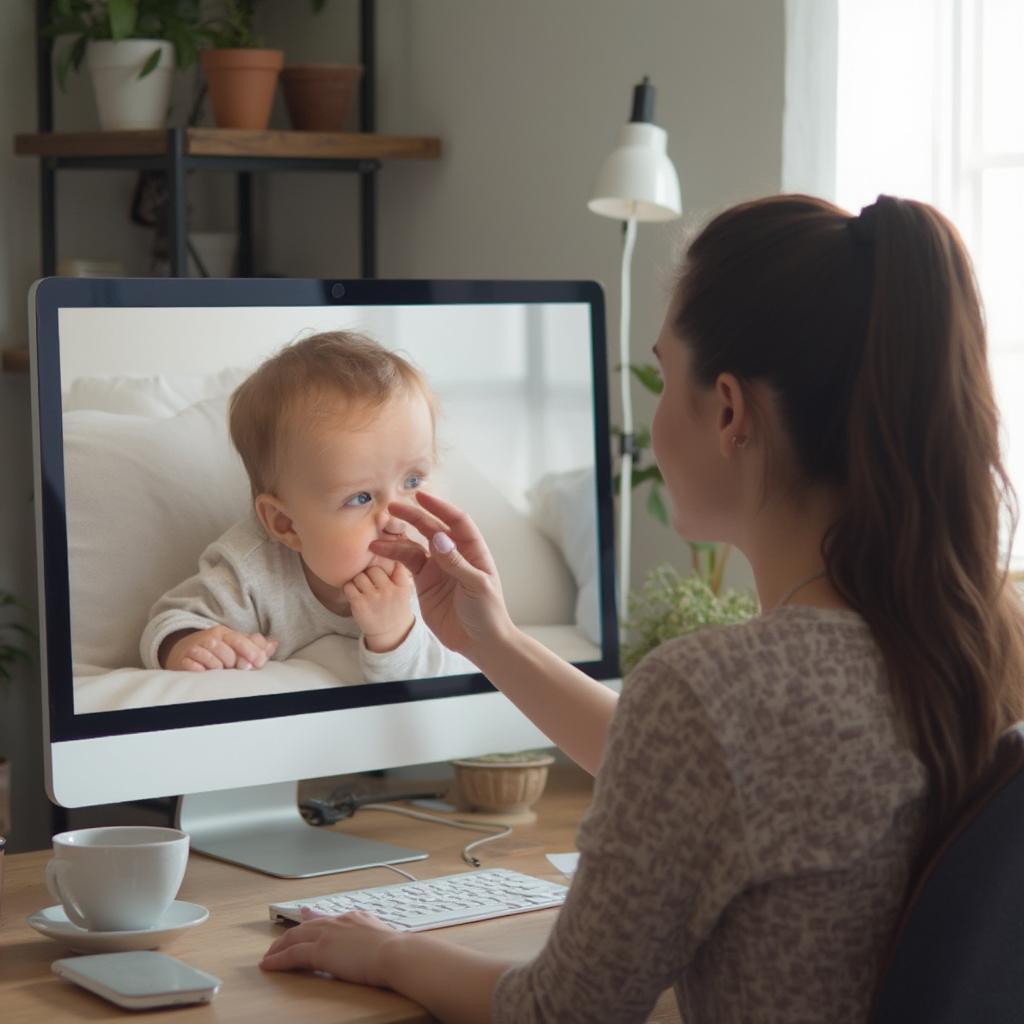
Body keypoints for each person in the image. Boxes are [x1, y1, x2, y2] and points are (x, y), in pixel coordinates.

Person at [259, 195, 1024, 1022]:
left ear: (729, 411)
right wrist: (497, 640)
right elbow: (712, 771)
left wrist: (389, 953)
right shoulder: (981, 636)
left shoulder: (720, 691)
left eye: (663, 376)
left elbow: (561, 1012)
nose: (650, 418)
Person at [140, 330, 461, 683]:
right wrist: (191, 645)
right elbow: (171, 622)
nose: (396, 520)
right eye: (361, 498)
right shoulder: (253, 571)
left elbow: (442, 676)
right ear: (285, 525)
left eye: (412, 482)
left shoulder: (421, 567)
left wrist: (395, 633)